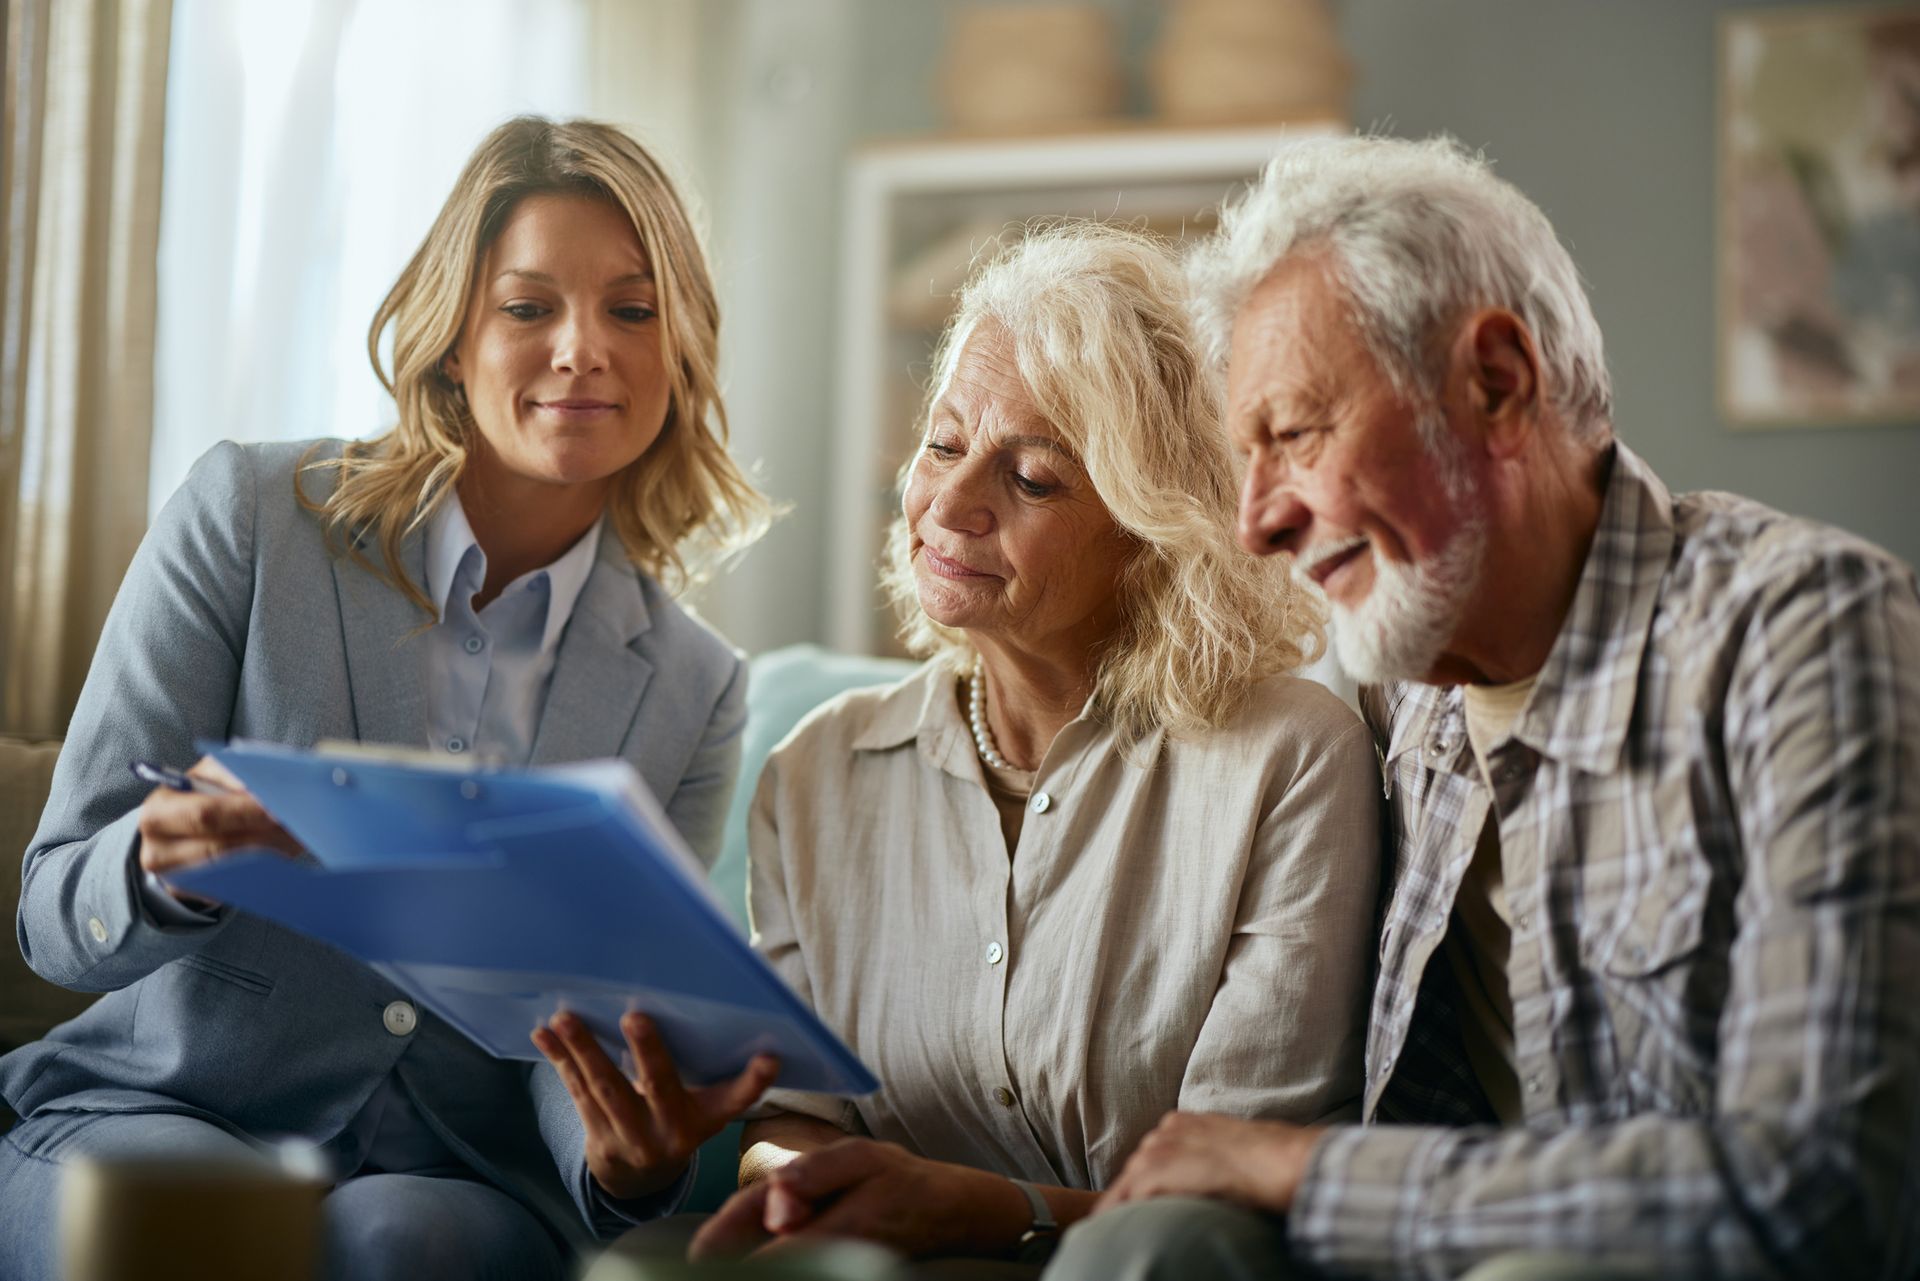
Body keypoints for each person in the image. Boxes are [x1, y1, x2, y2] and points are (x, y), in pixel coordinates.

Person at [1056, 136, 1920, 1280]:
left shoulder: (1804, 630)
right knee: (1153, 1248)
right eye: (1244, 461)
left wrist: (1303, 1172)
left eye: (1296, 435)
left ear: (1499, 385)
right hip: (1426, 1247)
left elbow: (1822, 1186)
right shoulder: (1394, 680)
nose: (1256, 523)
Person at [0, 116, 780, 1281]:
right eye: (528, 308)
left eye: (632, 309)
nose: (582, 349)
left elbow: (584, 1033)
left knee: (422, 1246)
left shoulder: (696, 688)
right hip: (158, 1108)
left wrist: (629, 1161)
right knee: (206, 1230)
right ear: (453, 341)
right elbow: (55, 918)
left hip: (454, 1167)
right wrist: (156, 864)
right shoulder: (251, 517)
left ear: (683, 353)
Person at [681, 225, 1383, 1273]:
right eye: (946, 444)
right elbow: (794, 1115)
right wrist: (793, 1183)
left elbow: (1233, 1192)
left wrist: (989, 1209)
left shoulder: (1286, 761)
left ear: (1157, 535)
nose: (951, 508)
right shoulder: (814, 773)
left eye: (1035, 479)